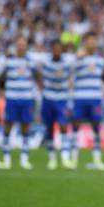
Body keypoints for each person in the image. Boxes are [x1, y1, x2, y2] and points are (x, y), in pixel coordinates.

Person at [0, 36, 37, 170]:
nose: (21, 47)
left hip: (27, 98)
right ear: (15, 46)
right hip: (12, 98)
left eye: (23, 45)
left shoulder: (31, 61)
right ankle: (6, 158)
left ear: (26, 47)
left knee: (26, 128)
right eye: (19, 45)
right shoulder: (8, 61)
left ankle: (24, 159)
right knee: (8, 127)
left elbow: (37, 77)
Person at [72, 32, 104, 170]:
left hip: (95, 98)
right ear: (85, 43)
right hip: (80, 97)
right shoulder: (78, 59)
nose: (92, 44)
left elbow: (103, 77)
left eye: (94, 41)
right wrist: (78, 57)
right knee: (75, 128)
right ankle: (73, 159)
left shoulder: (100, 60)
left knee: (97, 128)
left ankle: (97, 159)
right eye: (89, 41)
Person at [39, 39, 74, 170]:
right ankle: (52, 158)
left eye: (59, 48)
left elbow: (72, 75)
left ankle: (65, 158)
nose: (57, 51)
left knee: (64, 126)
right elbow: (38, 74)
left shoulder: (67, 63)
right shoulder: (46, 62)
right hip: (48, 98)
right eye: (55, 48)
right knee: (49, 128)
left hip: (62, 99)